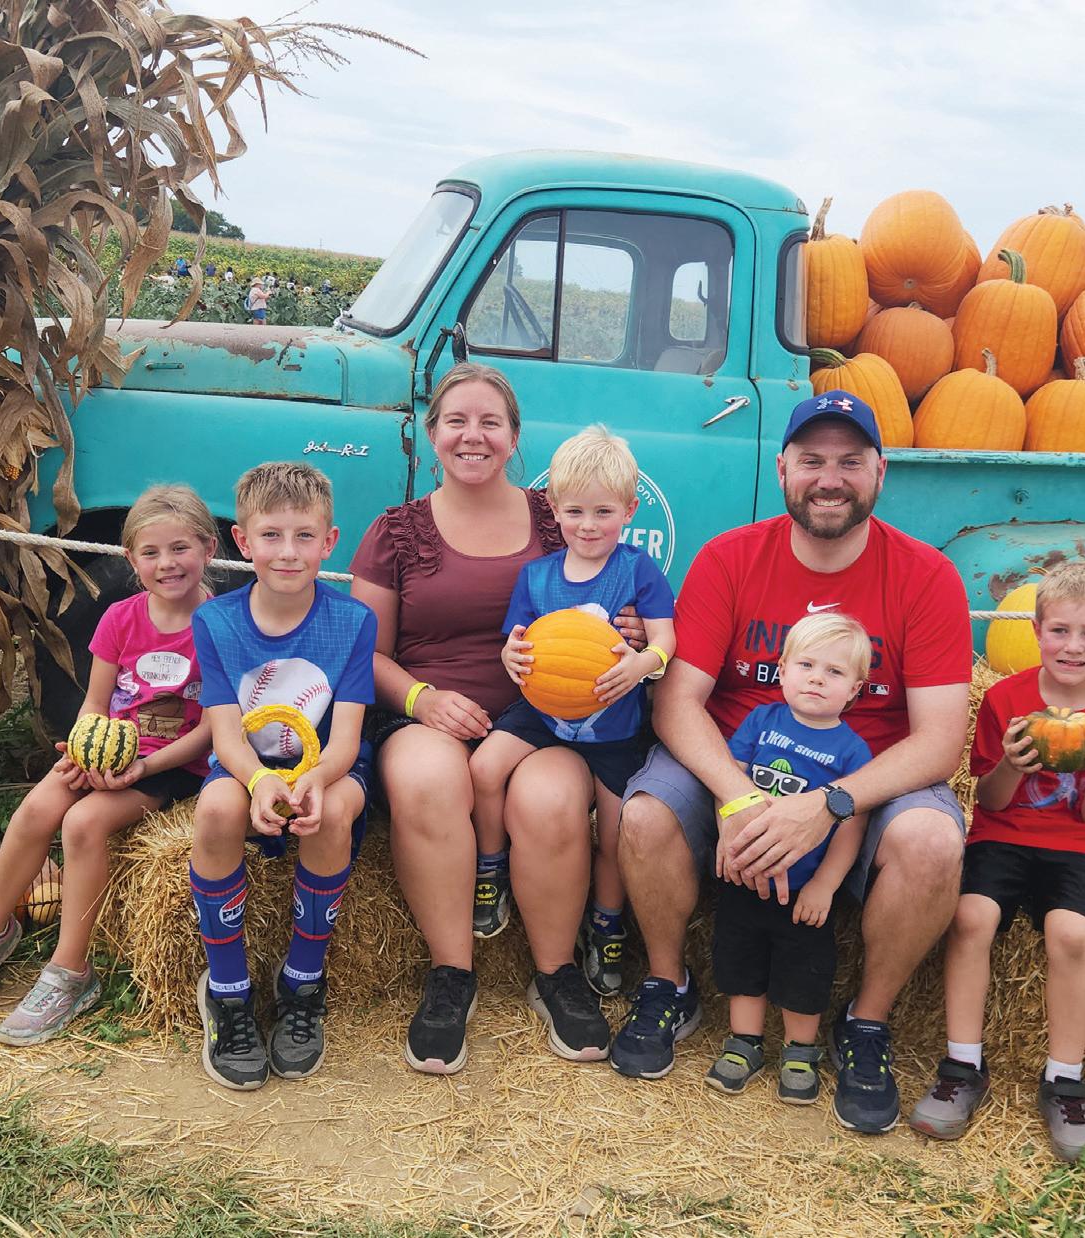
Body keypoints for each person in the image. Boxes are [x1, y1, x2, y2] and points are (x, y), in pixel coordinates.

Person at [613, 391, 972, 1137]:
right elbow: (677, 705)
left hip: (864, 782)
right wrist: (738, 798)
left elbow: (940, 742)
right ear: (782, 470)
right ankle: (668, 984)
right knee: (644, 815)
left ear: (880, 472)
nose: (829, 478)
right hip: (737, 763)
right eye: (812, 460)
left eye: (849, 462)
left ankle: (865, 1024)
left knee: (933, 843)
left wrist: (830, 804)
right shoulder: (730, 558)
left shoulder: (926, 576)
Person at [350, 362, 641, 1075]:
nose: (472, 436)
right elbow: (365, 654)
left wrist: (630, 629)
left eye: (490, 422)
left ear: (514, 437)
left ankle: (556, 973)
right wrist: (422, 700)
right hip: (427, 714)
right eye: (456, 421)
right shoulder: (396, 532)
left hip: (547, 717)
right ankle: (451, 974)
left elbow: (619, 594)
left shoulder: (561, 519)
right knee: (427, 781)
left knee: (550, 798)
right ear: (432, 434)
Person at [909, 561, 1085, 1160]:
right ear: (1036, 631)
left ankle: (1064, 1079)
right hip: (1004, 834)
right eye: (1059, 630)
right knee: (971, 917)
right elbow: (988, 800)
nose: (1073, 646)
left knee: (1071, 932)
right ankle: (963, 1065)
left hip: (1083, 845)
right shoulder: (1005, 699)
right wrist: (1012, 764)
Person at [0, 486, 218, 1041]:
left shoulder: (219, 627)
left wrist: (141, 769)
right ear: (130, 559)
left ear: (209, 547)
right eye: (150, 552)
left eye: (180, 548)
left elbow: (210, 730)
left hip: (172, 765)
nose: (167, 563)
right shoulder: (120, 618)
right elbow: (95, 704)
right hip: (106, 750)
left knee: (83, 823)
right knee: (37, 809)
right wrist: (83, 749)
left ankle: (71, 971)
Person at [468, 426, 675, 1004]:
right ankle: (491, 868)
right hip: (543, 711)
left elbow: (666, 639)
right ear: (554, 509)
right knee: (484, 769)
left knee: (615, 833)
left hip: (614, 726)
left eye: (604, 512)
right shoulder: (537, 576)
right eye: (576, 511)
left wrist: (644, 665)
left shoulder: (637, 571)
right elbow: (516, 641)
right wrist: (510, 658)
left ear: (629, 511)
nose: (588, 525)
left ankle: (607, 924)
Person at [189, 462, 376, 1091]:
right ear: (243, 541)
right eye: (271, 535)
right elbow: (225, 735)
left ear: (330, 542)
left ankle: (302, 982)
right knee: (216, 810)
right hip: (247, 762)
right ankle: (227, 991)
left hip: (329, 764)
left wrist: (313, 780)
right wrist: (258, 782)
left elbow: (345, 739)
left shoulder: (353, 621)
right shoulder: (215, 621)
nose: (288, 552)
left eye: (304, 536)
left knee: (332, 813)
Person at [705, 613, 871, 1103]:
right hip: (745, 874)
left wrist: (825, 884)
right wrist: (727, 836)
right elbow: (729, 783)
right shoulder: (761, 722)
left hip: (802, 890)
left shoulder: (852, 751)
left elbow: (852, 825)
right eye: (806, 665)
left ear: (855, 689)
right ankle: (744, 1042)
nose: (817, 678)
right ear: (782, 670)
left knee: (804, 968)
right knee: (740, 959)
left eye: (834, 672)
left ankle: (800, 1050)